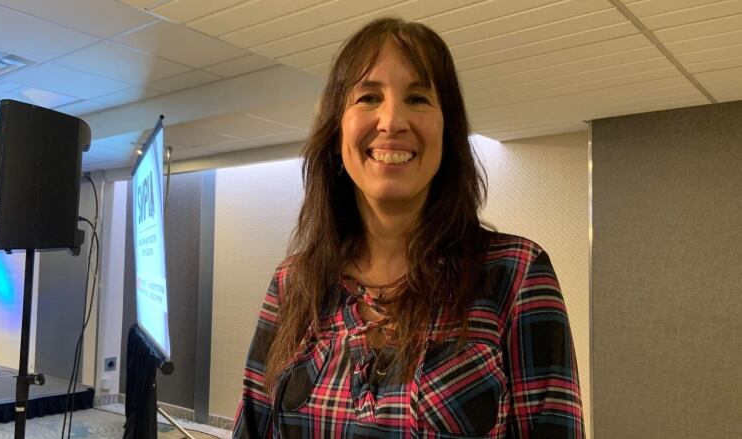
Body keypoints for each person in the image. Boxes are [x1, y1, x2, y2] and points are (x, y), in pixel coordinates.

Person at [233, 17, 584, 438]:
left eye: (418, 98)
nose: (392, 120)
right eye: (368, 96)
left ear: (446, 129)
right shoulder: (294, 283)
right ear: (337, 128)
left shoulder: (516, 273)